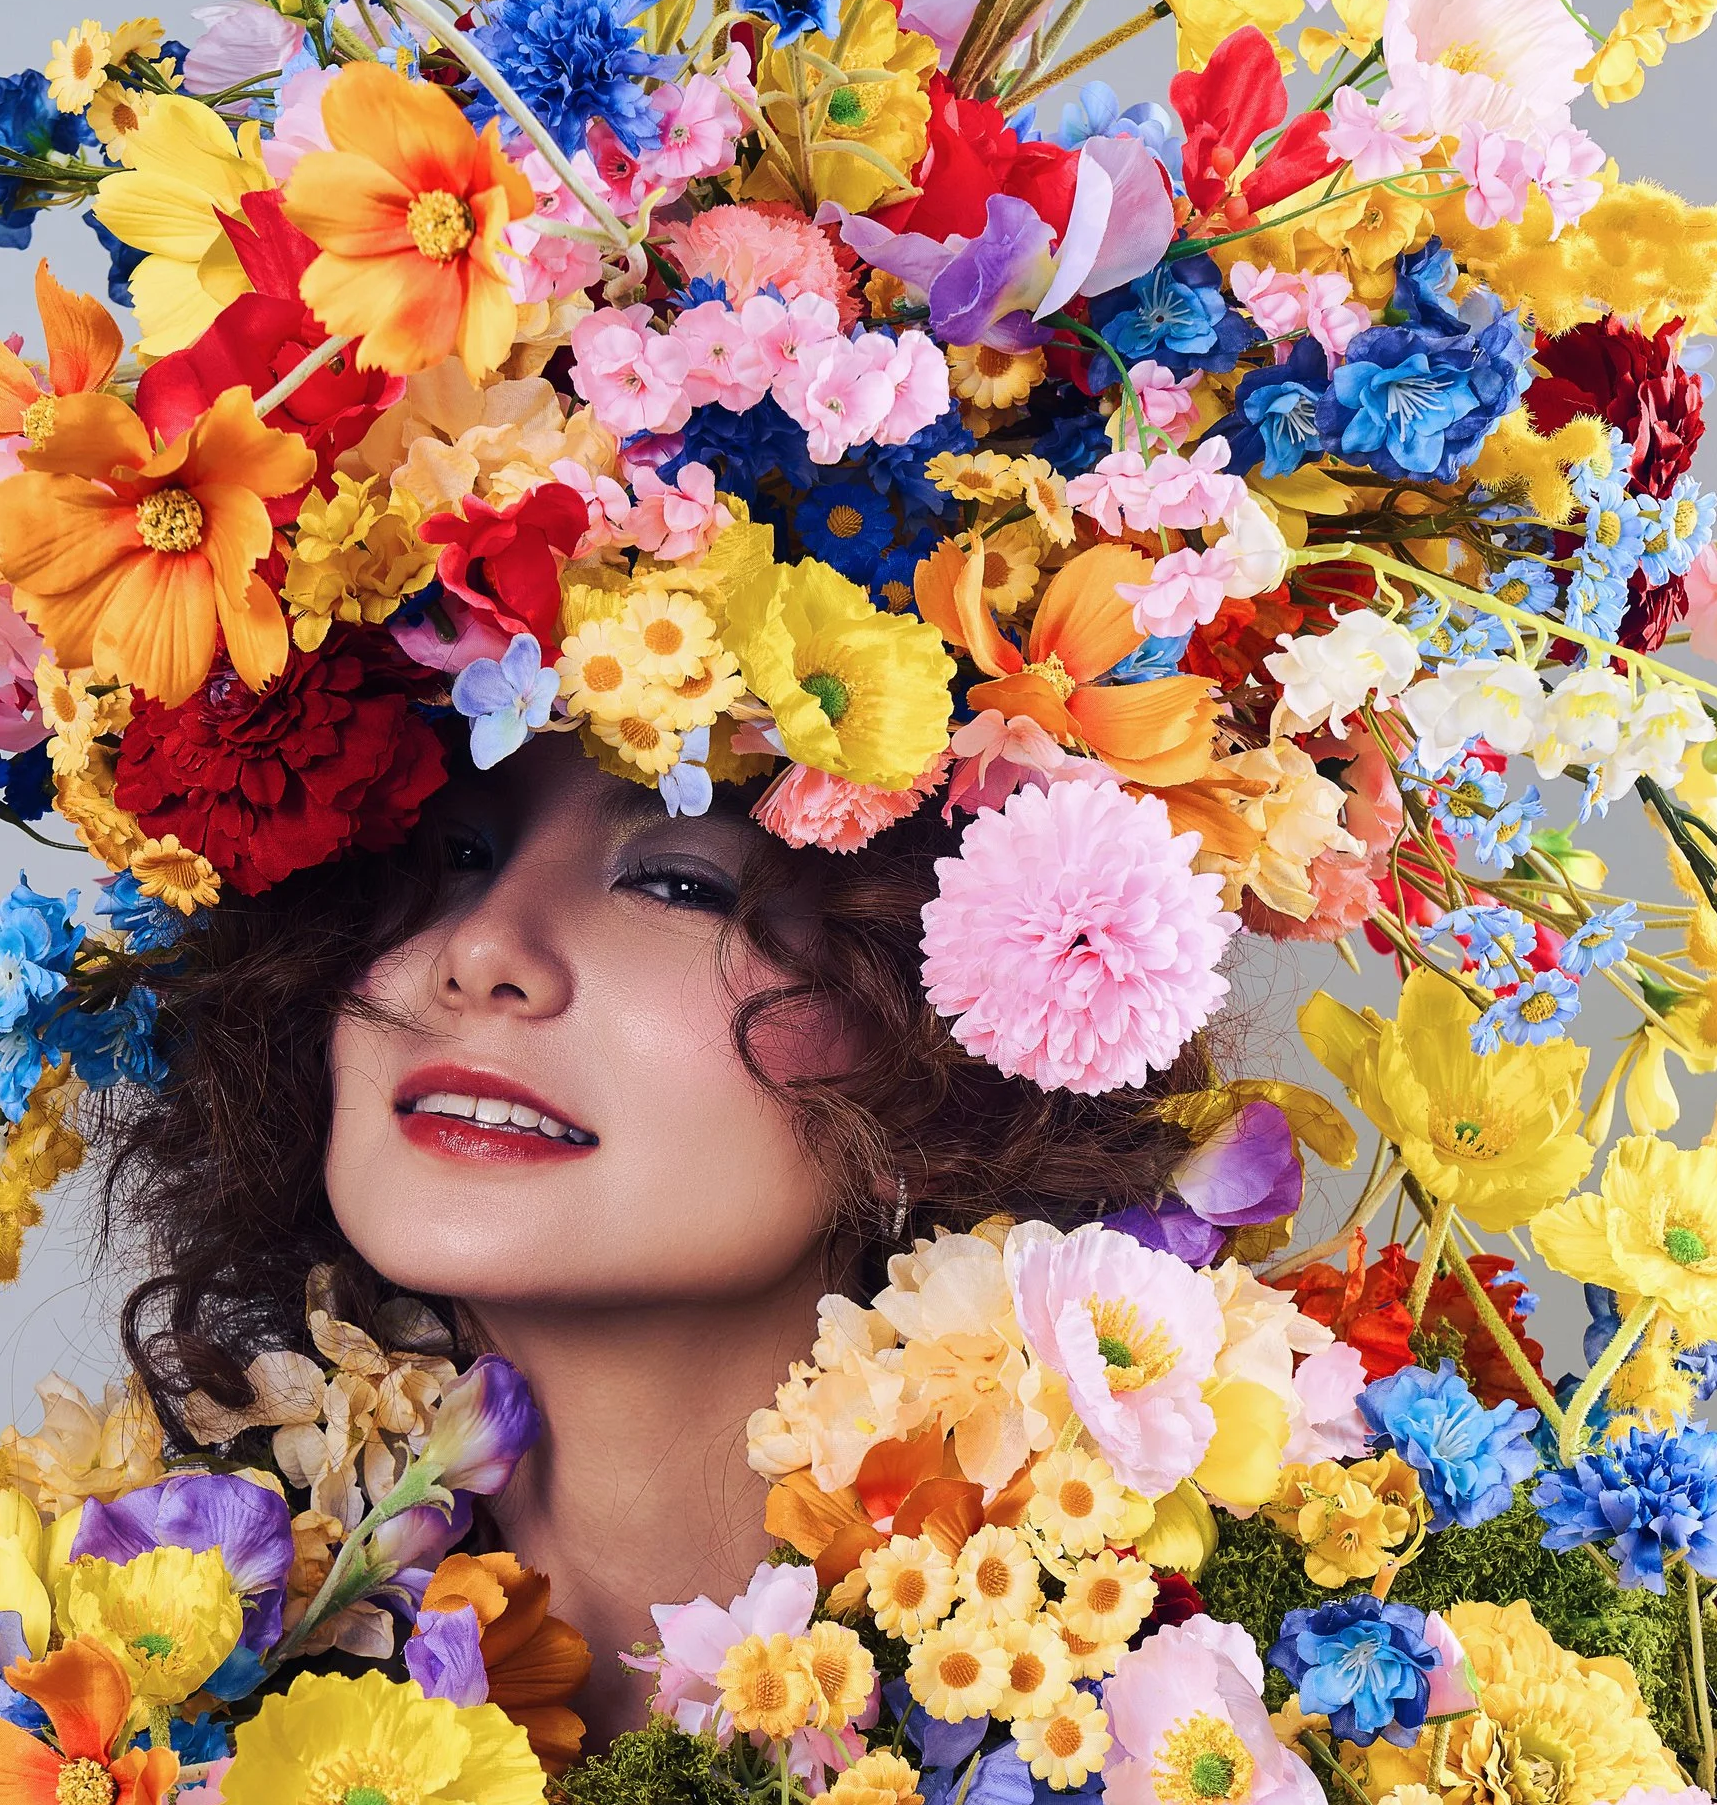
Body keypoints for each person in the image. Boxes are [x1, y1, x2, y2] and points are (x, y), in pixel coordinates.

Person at [102, 735, 1199, 1745]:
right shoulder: (116, 1699)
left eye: (678, 883)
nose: (480, 945)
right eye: (456, 852)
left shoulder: (1189, 1717)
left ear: (941, 1058)